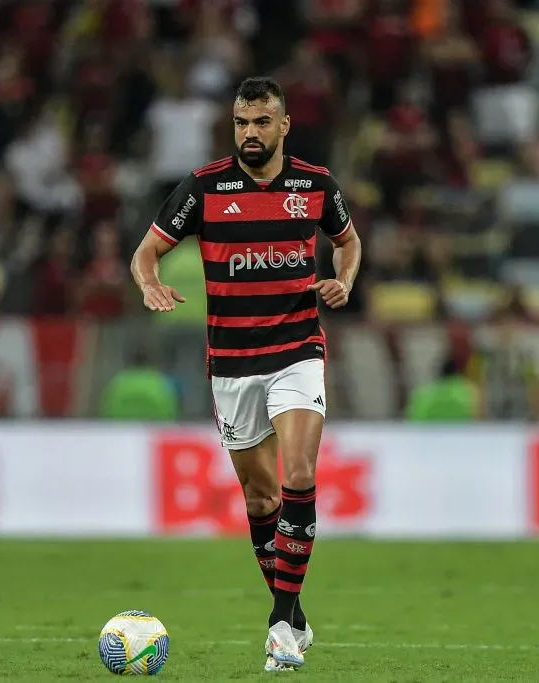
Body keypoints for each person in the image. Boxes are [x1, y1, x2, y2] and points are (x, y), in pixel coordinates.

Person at [130, 77, 362, 673]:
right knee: (261, 499)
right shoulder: (203, 189)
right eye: (241, 123)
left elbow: (349, 241)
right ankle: (294, 611)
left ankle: (280, 626)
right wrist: (150, 284)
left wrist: (345, 277)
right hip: (231, 364)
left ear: (284, 125)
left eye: (261, 122)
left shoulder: (315, 186)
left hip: (297, 347)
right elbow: (145, 252)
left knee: (300, 473)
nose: (250, 133)